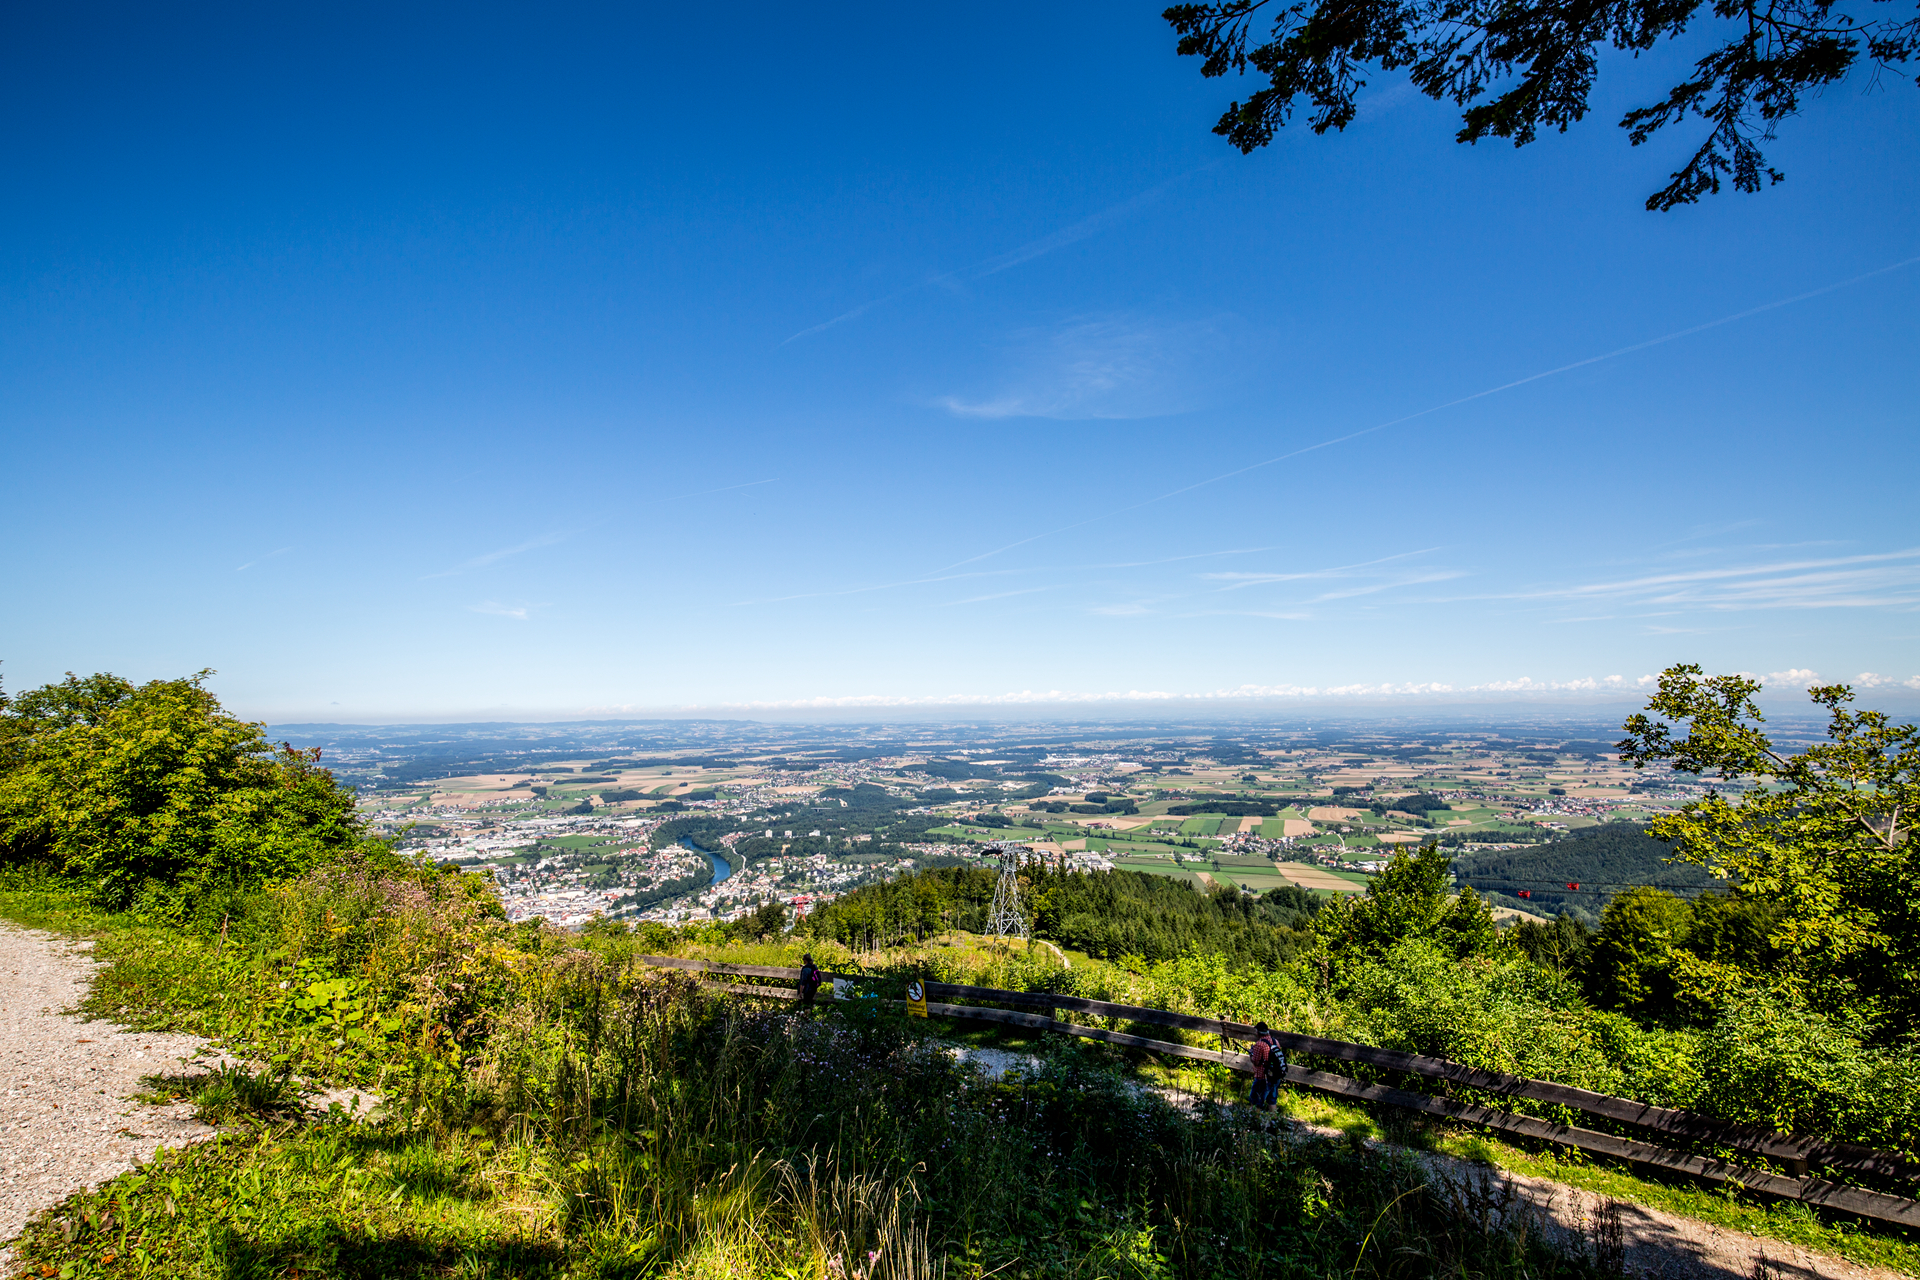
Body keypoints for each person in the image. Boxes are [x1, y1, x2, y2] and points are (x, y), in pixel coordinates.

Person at [1247, 1021, 1286, 1110]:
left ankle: (1254, 1121)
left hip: (1262, 1077)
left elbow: (1256, 1062)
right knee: (1272, 1101)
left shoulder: (1259, 1044)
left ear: (1258, 1032)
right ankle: (1274, 1121)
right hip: (1275, 1076)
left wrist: (1251, 1054)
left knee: (1256, 1102)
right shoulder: (1275, 1041)